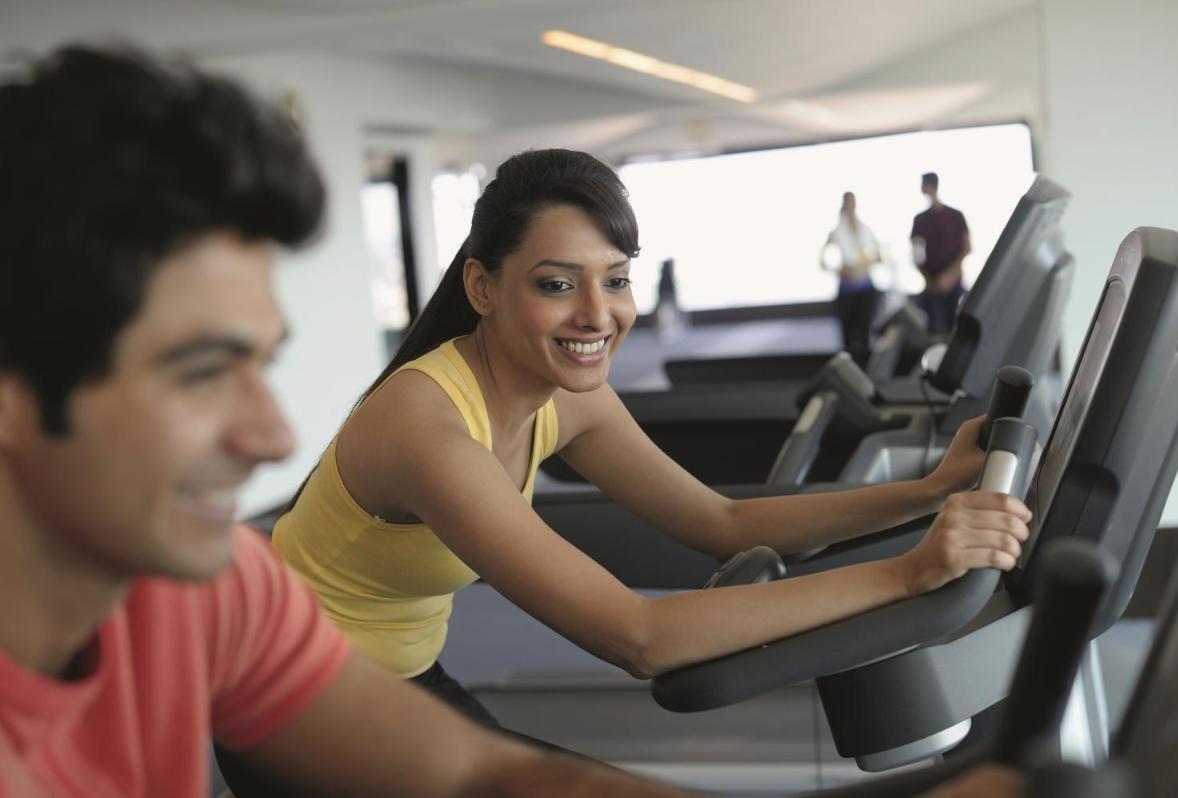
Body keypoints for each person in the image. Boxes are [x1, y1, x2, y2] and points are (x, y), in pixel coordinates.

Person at [0, 44, 697, 798]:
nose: (275, 439)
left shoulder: (216, 586)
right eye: (201, 373)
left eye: (261, 366)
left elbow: (479, 773)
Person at [274, 148, 1031, 739]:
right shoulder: (425, 427)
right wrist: (910, 574)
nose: (598, 315)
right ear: (482, 288)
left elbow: (720, 524)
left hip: (397, 676)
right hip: (296, 700)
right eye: (556, 285)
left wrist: (932, 489)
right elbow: (641, 637)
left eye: (617, 279)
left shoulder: (568, 402)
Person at [822, 191, 883, 363]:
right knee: (848, 336)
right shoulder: (836, 232)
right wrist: (839, 270)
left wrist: (868, 262)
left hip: (865, 287)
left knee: (865, 333)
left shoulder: (865, 229)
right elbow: (824, 260)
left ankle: (865, 370)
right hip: (847, 289)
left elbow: (878, 255)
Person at [910, 172, 971, 334]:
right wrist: (929, 279)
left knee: (957, 330)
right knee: (933, 332)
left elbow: (966, 248)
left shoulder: (955, 216)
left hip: (953, 283)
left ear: (929, 186)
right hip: (932, 285)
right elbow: (916, 255)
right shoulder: (920, 220)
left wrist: (948, 276)